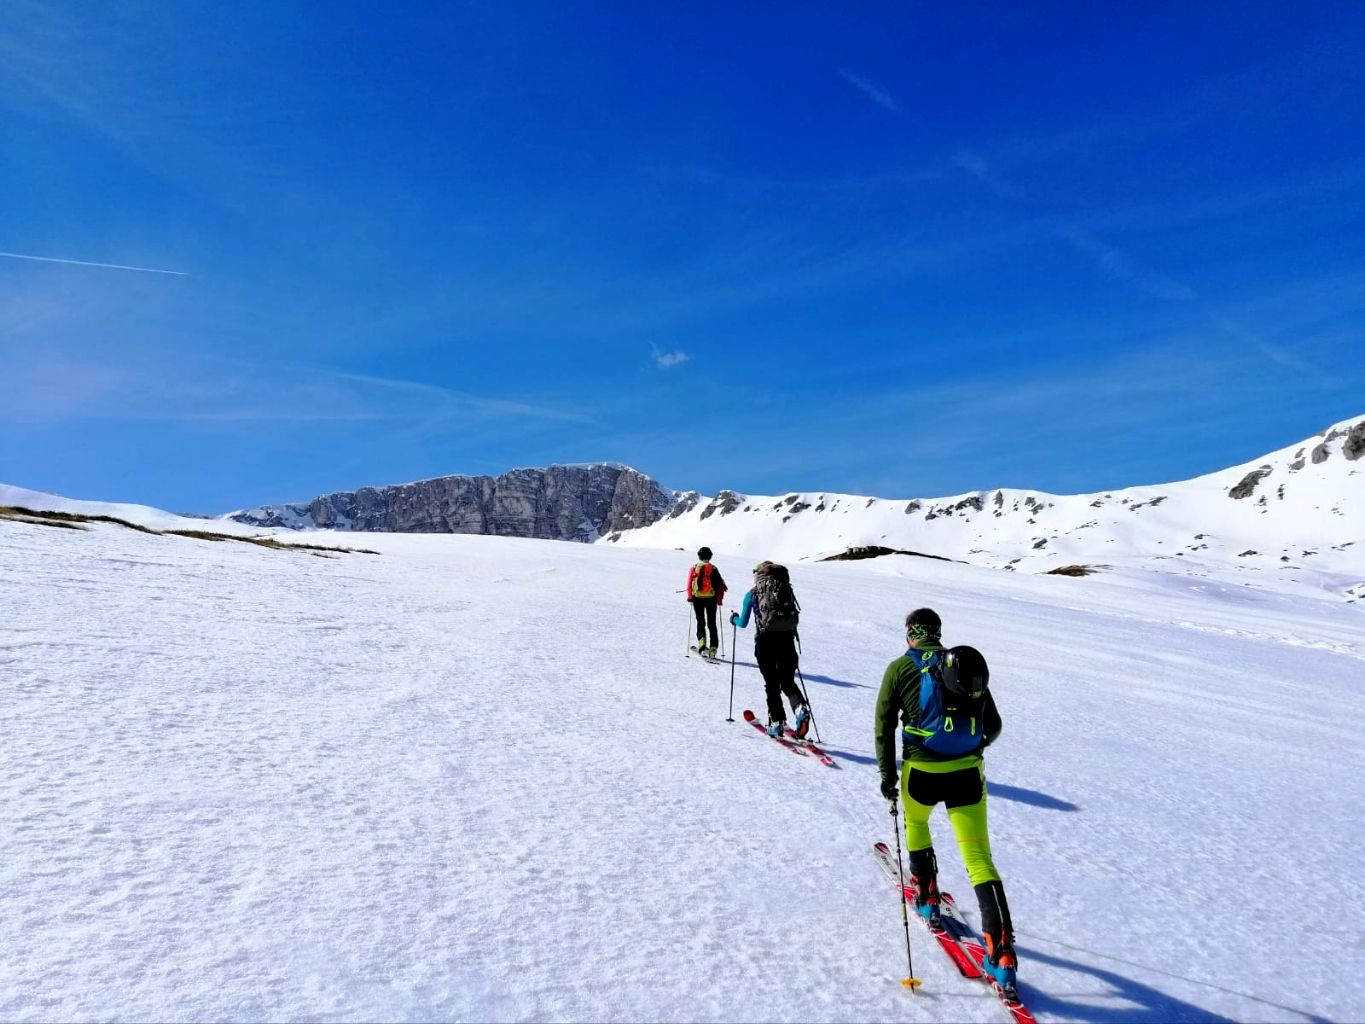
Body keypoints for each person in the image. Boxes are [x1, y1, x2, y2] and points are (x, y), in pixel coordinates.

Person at [873, 607, 1019, 996]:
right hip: (967, 775)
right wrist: (973, 748)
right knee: (979, 859)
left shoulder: (899, 669)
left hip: (920, 773)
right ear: (938, 633)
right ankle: (1001, 953)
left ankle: (927, 895)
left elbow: (884, 726)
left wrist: (887, 777)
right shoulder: (962, 664)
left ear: (910, 634)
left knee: (917, 825)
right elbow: (994, 725)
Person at [729, 561, 811, 739]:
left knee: (771, 683)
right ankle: (800, 709)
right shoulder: (786, 590)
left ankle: (776, 723)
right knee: (788, 682)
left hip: (765, 642)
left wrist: (733, 619)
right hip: (787, 640)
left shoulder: (752, 594)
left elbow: (742, 623)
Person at [686, 547, 727, 658]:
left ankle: (702, 645)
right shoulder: (713, 568)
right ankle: (713, 649)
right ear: (710, 556)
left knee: (700, 622)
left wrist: (690, 597)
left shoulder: (694, 568)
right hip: (711, 598)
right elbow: (719, 586)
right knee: (712, 623)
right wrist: (719, 600)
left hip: (697, 598)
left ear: (699, 556)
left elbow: (689, 583)